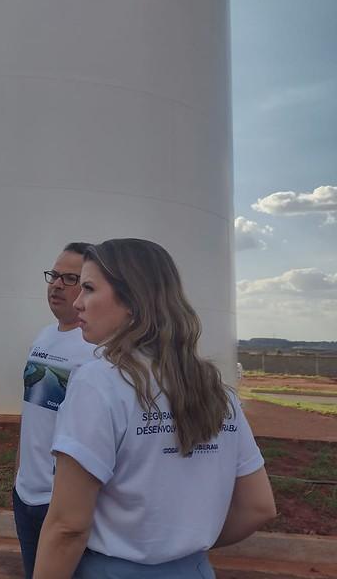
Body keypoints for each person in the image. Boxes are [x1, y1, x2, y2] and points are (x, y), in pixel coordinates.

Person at [33, 239, 276, 578]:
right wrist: (178, 547)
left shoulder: (99, 381)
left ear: (132, 301)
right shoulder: (216, 390)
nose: (77, 303)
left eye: (88, 289)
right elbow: (257, 507)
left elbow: (67, 527)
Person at [13, 242, 97, 579]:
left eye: (70, 278)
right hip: (25, 495)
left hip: (61, 502)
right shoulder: (44, 337)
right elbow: (34, 413)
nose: (56, 285)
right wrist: (18, 474)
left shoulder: (96, 349)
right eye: (54, 275)